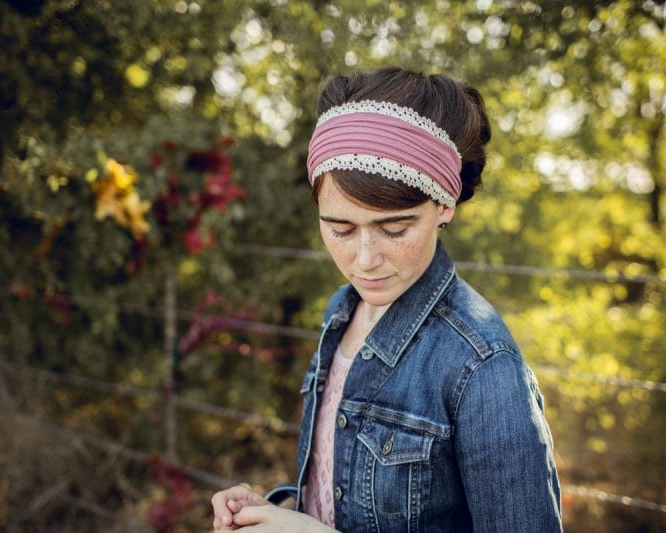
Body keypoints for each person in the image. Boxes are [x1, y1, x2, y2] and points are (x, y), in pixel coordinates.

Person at [212, 66, 562, 532]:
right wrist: (276, 512)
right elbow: (346, 494)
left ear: (444, 206)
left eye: (394, 229)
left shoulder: (483, 367)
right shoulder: (342, 312)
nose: (364, 260)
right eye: (339, 229)